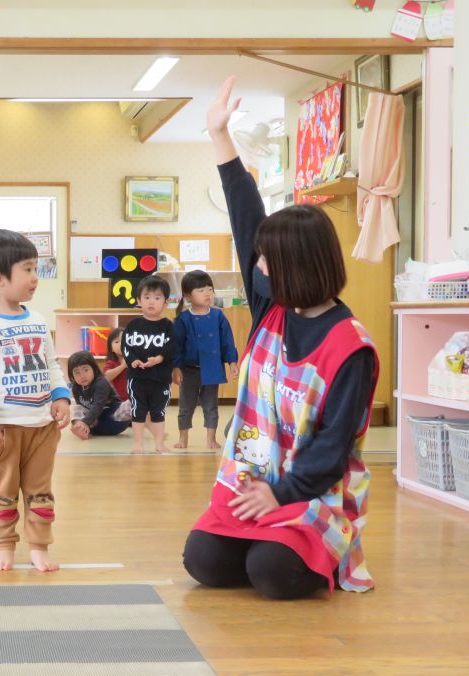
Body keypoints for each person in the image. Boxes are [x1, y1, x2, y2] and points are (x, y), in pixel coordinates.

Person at [182, 76, 378, 600]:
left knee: (272, 575)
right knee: (202, 561)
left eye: (268, 260)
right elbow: (248, 218)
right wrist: (219, 137)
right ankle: (264, 541)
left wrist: (281, 494)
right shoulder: (273, 305)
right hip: (252, 478)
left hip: (311, 491)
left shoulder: (348, 346)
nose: (258, 266)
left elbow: (333, 448)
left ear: (296, 267)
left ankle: (320, 551)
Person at [0, 229, 71, 572]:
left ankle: (39, 545)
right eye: (27, 269)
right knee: (3, 490)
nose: (34, 278)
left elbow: (52, 365)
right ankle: (4, 545)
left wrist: (62, 397)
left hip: (42, 427)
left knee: (41, 491)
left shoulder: (38, 321)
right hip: (4, 430)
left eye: (35, 268)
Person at [172, 270, 239, 450]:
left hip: (212, 368)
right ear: (187, 295)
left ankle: (211, 439)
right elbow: (176, 346)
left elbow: (227, 342)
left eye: (210, 289)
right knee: (186, 406)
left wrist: (232, 362)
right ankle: (183, 438)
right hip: (188, 370)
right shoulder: (183, 318)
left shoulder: (218, 316)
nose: (207, 293)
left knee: (211, 406)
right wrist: (176, 368)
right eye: (201, 290)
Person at [122, 275, 176, 454]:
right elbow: (126, 346)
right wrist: (133, 360)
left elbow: (172, 348)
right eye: (147, 297)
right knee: (138, 411)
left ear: (165, 302)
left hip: (160, 379)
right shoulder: (133, 324)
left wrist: (159, 359)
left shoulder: (168, 326)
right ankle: (138, 443)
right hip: (137, 379)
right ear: (139, 300)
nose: (151, 302)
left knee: (158, 412)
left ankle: (159, 443)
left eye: (157, 298)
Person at [67, 350, 130, 439]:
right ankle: (80, 428)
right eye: (77, 372)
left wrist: (85, 421)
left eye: (86, 370)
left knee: (129, 405)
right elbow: (81, 409)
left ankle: (147, 413)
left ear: (94, 368)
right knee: (77, 407)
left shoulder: (101, 382)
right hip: (95, 424)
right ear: (72, 376)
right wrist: (81, 422)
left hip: (114, 418)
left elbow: (98, 405)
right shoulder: (76, 388)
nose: (82, 376)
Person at [103, 326, 128, 401]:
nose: (121, 344)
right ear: (111, 348)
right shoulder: (112, 362)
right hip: (117, 401)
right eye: (117, 342)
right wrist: (122, 366)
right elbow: (107, 376)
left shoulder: (134, 360)